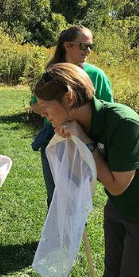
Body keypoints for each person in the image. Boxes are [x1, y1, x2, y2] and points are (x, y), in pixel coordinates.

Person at [34, 63, 139, 277]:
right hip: (119, 208)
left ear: (69, 98)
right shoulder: (78, 126)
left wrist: (86, 142)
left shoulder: (125, 124)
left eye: (45, 107)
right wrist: (70, 145)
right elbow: (83, 176)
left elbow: (116, 185)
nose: (43, 115)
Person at [30, 25, 114, 208]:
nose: (89, 50)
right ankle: (55, 235)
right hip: (53, 136)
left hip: (84, 138)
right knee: (55, 192)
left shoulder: (96, 75)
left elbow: (107, 108)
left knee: (77, 193)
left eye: (91, 46)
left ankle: (75, 234)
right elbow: (35, 105)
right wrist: (50, 106)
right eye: (84, 45)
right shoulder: (51, 73)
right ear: (67, 46)